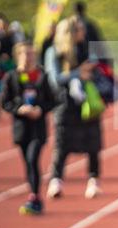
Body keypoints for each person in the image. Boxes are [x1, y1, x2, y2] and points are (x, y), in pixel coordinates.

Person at [45, 15, 103, 199]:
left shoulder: (86, 49)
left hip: (87, 103)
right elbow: (55, 79)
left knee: (93, 143)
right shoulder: (54, 52)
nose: (84, 31)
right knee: (62, 143)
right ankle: (56, 180)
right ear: (70, 32)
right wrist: (78, 73)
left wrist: (91, 72)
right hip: (64, 104)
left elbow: (95, 71)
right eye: (80, 29)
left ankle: (93, 180)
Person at [1, 42, 57, 215]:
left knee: (33, 159)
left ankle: (34, 196)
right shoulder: (11, 77)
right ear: (18, 55)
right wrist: (19, 109)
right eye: (26, 54)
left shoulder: (42, 76)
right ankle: (34, 195)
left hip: (38, 128)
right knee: (28, 162)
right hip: (21, 128)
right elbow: (4, 102)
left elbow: (54, 100)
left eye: (32, 54)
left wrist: (41, 109)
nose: (29, 57)